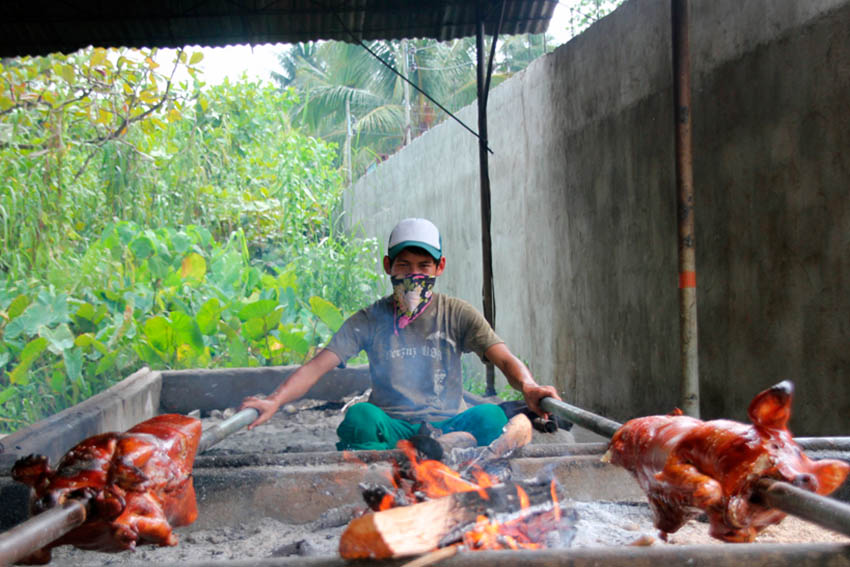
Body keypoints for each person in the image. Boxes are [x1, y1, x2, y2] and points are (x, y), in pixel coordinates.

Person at [240, 218, 560, 451]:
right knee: (360, 418)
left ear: (440, 267)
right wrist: (274, 400)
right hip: (393, 426)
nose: (414, 275)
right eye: (404, 266)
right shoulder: (369, 319)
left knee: (490, 417)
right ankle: (415, 459)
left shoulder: (457, 313)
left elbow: (504, 359)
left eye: (424, 266)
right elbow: (316, 367)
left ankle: (426, 455)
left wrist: (529, 387)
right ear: (387, 266)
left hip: (450, 421)